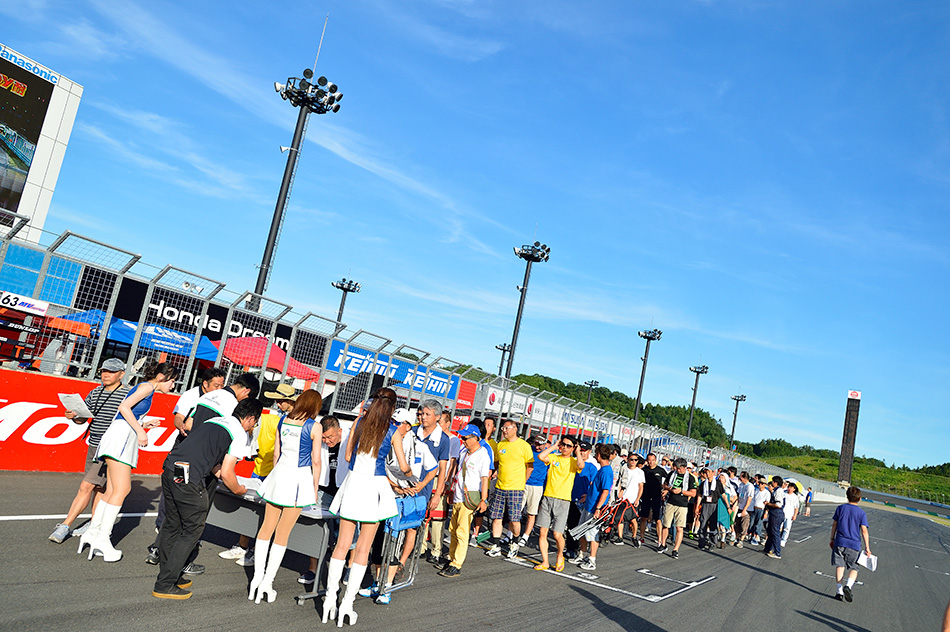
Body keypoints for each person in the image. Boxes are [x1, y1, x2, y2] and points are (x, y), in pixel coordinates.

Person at [151, 398, 263, 599]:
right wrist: (238, 489)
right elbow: (227, 472)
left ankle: (170, 575)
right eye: (254, 423)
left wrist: (225, 478)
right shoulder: (238, 433)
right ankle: (165, 583)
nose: (252, 427)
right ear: (250, 418)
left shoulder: (216, 421)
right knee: (193, 529)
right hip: (189, 476)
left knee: (173, 524)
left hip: (172, 468)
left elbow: (213, 463)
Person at [323, 388, 410, 626]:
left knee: (342, 545)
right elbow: (403, 466)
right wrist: (409, 475)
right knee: (362, 549)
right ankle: (347, 605)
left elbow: (348, 456)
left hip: (353, 484)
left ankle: (329, 600)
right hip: (374, 488)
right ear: (392, 407)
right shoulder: (393, 431)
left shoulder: (359, 422)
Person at [81, 361, 178, 562]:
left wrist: (143, 423)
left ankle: (92, 533)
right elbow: (123, 407)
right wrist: (141, 431)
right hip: (122, 438)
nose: (173, 385)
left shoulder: (145, 387)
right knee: (122, 489)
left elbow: (126, 412)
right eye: (173, 381)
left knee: (111, 490)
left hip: (117, 435)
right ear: (162, 377)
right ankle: (102, 539)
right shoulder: (147, 387)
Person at [248, 390, 323, 604]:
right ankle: (267, 583)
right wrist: (314, 488)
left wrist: (276, 475)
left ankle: (256, 580)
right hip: (299, 479)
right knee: (282, 534)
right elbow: (316, 461)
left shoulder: (283, 420)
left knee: (266, 528)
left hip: (279, 475)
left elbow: (276, 453)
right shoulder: (314, 426)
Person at [49, 358, 130, 543]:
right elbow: (82, 419)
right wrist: (73, 416)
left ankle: (65, 526)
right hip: (94, 445)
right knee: (99, 487)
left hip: (111, 449)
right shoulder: (95, 392)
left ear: (121, 374)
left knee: (86, 486)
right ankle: (94, 524)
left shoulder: (127, 395)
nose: (106, 375)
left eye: (111, 371)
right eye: (104, 371)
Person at [219, 383, 295, 568]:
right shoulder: (268, 419)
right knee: (251, 509)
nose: (277, 403)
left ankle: (257, 551)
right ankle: (243, 546)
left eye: (280, 400)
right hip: (260, 470)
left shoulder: (293, 423)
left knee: (268, 516)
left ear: (290, 401)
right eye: (276, 400)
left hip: (276, 474)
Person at [438, 424, 490, 578]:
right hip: (458, 495)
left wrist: (483, 499)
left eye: (465, 438)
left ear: (475, 438)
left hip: (469, 498)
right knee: (453, 529)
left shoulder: (483, 455)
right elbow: (458, 473)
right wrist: (451, 489)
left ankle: (457, 564)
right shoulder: (464, 451)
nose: (463, 440)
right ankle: (451, 558)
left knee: (462, 531)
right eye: (462, 437)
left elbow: (485, 479)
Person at [534, 434, 584, 572]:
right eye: (564, 444)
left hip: (563, 500)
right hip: (548, 497)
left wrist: (577, 451)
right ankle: (545, 561)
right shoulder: (554, 457)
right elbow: (541, 456)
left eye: (569, 446)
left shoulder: (574, 461)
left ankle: (560, 554)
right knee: (543, 532)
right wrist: (555, 446)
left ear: (573, 448)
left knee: (557, 534)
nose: (565, 448)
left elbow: (581, 465)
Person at [484, 418, 533, 560]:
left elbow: (530, 466)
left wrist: (522, 481)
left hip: (516, 488)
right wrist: (494, 473)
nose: (504, 431)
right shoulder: (501, 445)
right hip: (500, 486)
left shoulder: (523, 445)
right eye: (503, 429)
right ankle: (496, 545)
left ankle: (515, 543)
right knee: (496, 517)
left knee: (514, 519)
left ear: (514, 429)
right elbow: (497, 463)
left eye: (506, 428)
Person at [573, 444, 614, 571]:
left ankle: (592, 560)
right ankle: (582, 555)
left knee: (592, 534)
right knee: (582, 531)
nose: (595, 456)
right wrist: (588, 496)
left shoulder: (606, 471)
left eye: (596, 454)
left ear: (600, 455)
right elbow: (597, 488)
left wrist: (598, 508)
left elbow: (605, 491)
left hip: (594, 508)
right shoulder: (602, 469)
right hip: (589, 505)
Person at [830, 486, 871, 603]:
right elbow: (864, 531)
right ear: (859, 498)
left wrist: (832, 538)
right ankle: (848, 586)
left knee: (840, 566)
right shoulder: (861, 513)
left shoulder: (840, 508)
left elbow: (834, 525)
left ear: (847, 496)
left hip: (840, 541)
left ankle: (839, 591)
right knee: (854, 567)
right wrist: (867, 548)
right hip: (854, 544)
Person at [656, 458, 697, 559]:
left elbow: (693, 493)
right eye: (676, 468)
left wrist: (681, 491)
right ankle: (663, 544)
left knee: (679, 528)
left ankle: (676, 549)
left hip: (682, 504)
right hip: (670, 502)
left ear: (684, 467)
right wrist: (670, 489)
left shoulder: (690, 478)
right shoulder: (672, 474)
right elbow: (665, 485)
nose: (677, 470)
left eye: (679, 468)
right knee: (666, 525)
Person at [518, 435, 550, 548]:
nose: (537, 447)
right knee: (516, 511)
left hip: (537, 486)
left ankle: (525, 536)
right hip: (523, 483)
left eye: (540, 445)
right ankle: (510, 534)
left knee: (531, 513)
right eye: (536, 444)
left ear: (545, 444)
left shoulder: (548, 454)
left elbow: (549, 472)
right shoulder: (528, 449)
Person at [612, 454, 644, 547]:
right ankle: (620, 537)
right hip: (622, 498)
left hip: (633, 499)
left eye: (635, 460)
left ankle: (634, 537)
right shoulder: (623, 469)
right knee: (620, 518)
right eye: (631, 459)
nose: (633, 461)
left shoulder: (640, 472)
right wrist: (618, 494)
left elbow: (641, 487)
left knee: (633, 519)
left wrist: (638, 499)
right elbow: (619, 482)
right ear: (628, 460)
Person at [639, 453, 666, 546]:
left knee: (658, 519)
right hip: (646, 496)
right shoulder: (644, 470)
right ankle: (641, 538)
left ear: (656, 460)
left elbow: (668, 481)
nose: (651, 462)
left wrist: (666, 490)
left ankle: (660, 540)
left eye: (653, 460)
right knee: (644, 518)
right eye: (649, 460)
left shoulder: (660, 470)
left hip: (656, 497)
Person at [696, 468, 723, 552]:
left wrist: (728, 507)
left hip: (714, 505)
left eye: (709, 472)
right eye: (706, 472)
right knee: (703, 523)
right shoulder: (704, 483)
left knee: (713, 524)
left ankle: (712, 542)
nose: (707, 474)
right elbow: (700, 495)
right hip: (705, 504)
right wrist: (697, 506)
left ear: (713, 473)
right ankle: (701, 542)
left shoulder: (717, 483)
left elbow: (723, 494)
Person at [763, 475, 787, 559]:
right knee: (770, 532)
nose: (772, 483)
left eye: (773, 481)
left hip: (776, 514)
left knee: (775, 532)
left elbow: (778, 504)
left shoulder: (778, 491)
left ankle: (777, 552)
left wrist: (768, 504)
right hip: (774, 513)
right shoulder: (776, 490)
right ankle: (767, 549)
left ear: (776, 483)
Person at [780, 482, 801, 548]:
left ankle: (783, 540)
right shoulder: (784, 493)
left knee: (787, 528)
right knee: (779, 527)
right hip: (782, 513)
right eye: (789, 487)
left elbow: (796, 507)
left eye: (791, 487)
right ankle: (777, 538)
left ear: (794, 489)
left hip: (789, 515)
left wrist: (795, 515)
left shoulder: (795, 497)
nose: (789, 488)